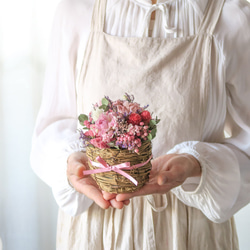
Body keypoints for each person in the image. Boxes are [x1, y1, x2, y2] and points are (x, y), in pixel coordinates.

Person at [30, 0, 250, 249]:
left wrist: (196, 164)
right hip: (95, 230)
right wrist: (71, 162)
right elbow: (53, 122)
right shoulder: (79, 10)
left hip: (188, 232)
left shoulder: (230, 17)